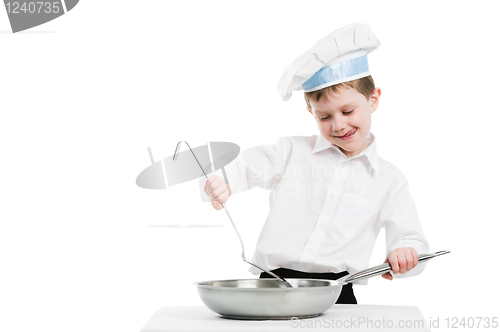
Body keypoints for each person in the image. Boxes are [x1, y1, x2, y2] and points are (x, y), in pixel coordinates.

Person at [202, 23, 429, 304]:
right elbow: (238, 167)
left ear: (374, 99)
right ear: (310, 111)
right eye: (324, 117)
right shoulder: (291, 152)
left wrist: (404, 250)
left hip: (338, 294)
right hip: (272, 286)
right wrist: (220, 183)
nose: (338, 124)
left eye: (348, 110)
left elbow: (410, 238)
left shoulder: (389, 179)